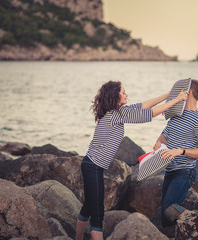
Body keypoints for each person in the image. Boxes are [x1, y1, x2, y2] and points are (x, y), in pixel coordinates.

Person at [75, 80, 188, 240]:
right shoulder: (116, 115)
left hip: (92, 165)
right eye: (123, 92)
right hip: (92, 166)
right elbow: (152, 113)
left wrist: (168, 95)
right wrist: (177, 101)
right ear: (115, 96)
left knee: (88, 206)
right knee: (97, 213)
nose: (126, 94)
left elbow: (143, 106)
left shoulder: (117, 112)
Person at [153, 79, 198, 227]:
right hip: (170, 170)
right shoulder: (175, 115)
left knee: (168, 208)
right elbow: (164, 135)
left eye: (181, 90)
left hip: (185, 171)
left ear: (189, 92)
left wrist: (181, 151)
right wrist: (159, 142)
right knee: (166, 217)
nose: (178, 93)